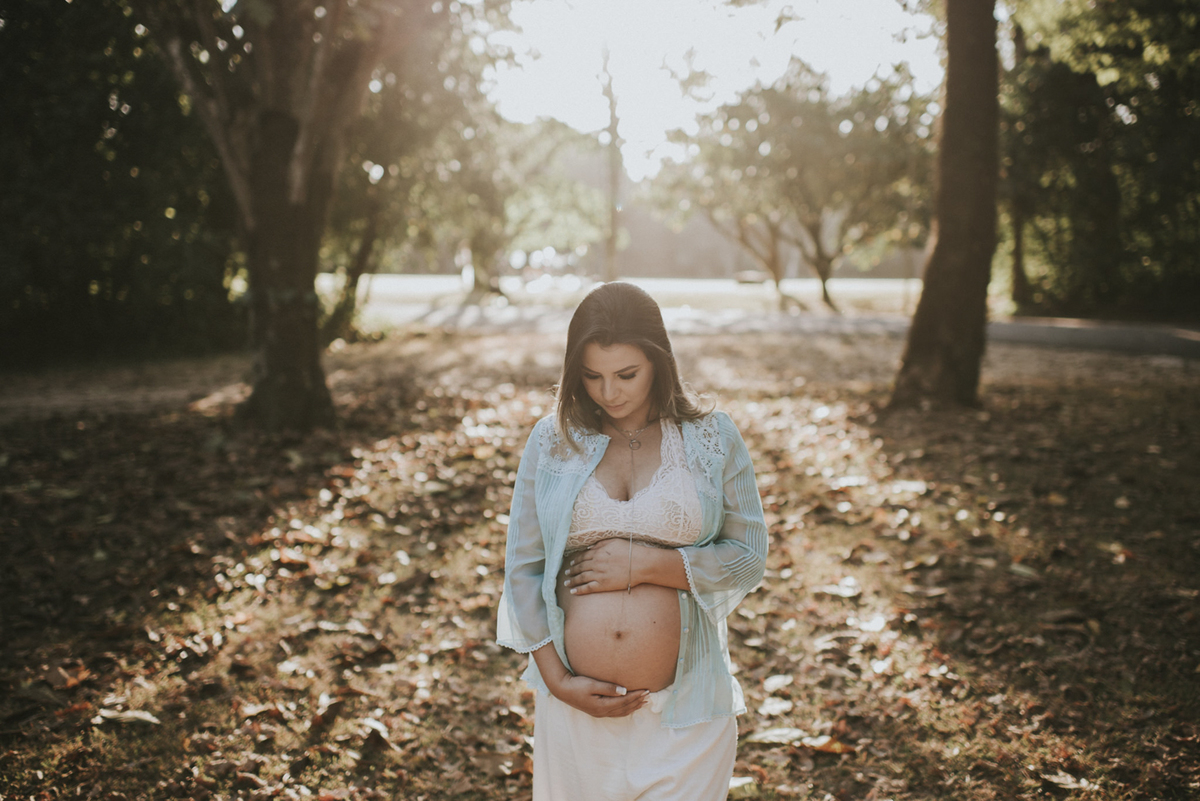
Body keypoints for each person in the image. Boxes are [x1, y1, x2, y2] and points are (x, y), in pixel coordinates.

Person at [496, 281, 769, 801]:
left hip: (684, 715)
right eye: (592, 375)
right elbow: (523, 568)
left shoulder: (712, 438)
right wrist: (556, 681)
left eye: (627, 374)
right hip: (577, 713)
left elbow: (749, 556)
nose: (610, 392)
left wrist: (642, 565)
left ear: (658, 362)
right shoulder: (551, 441)